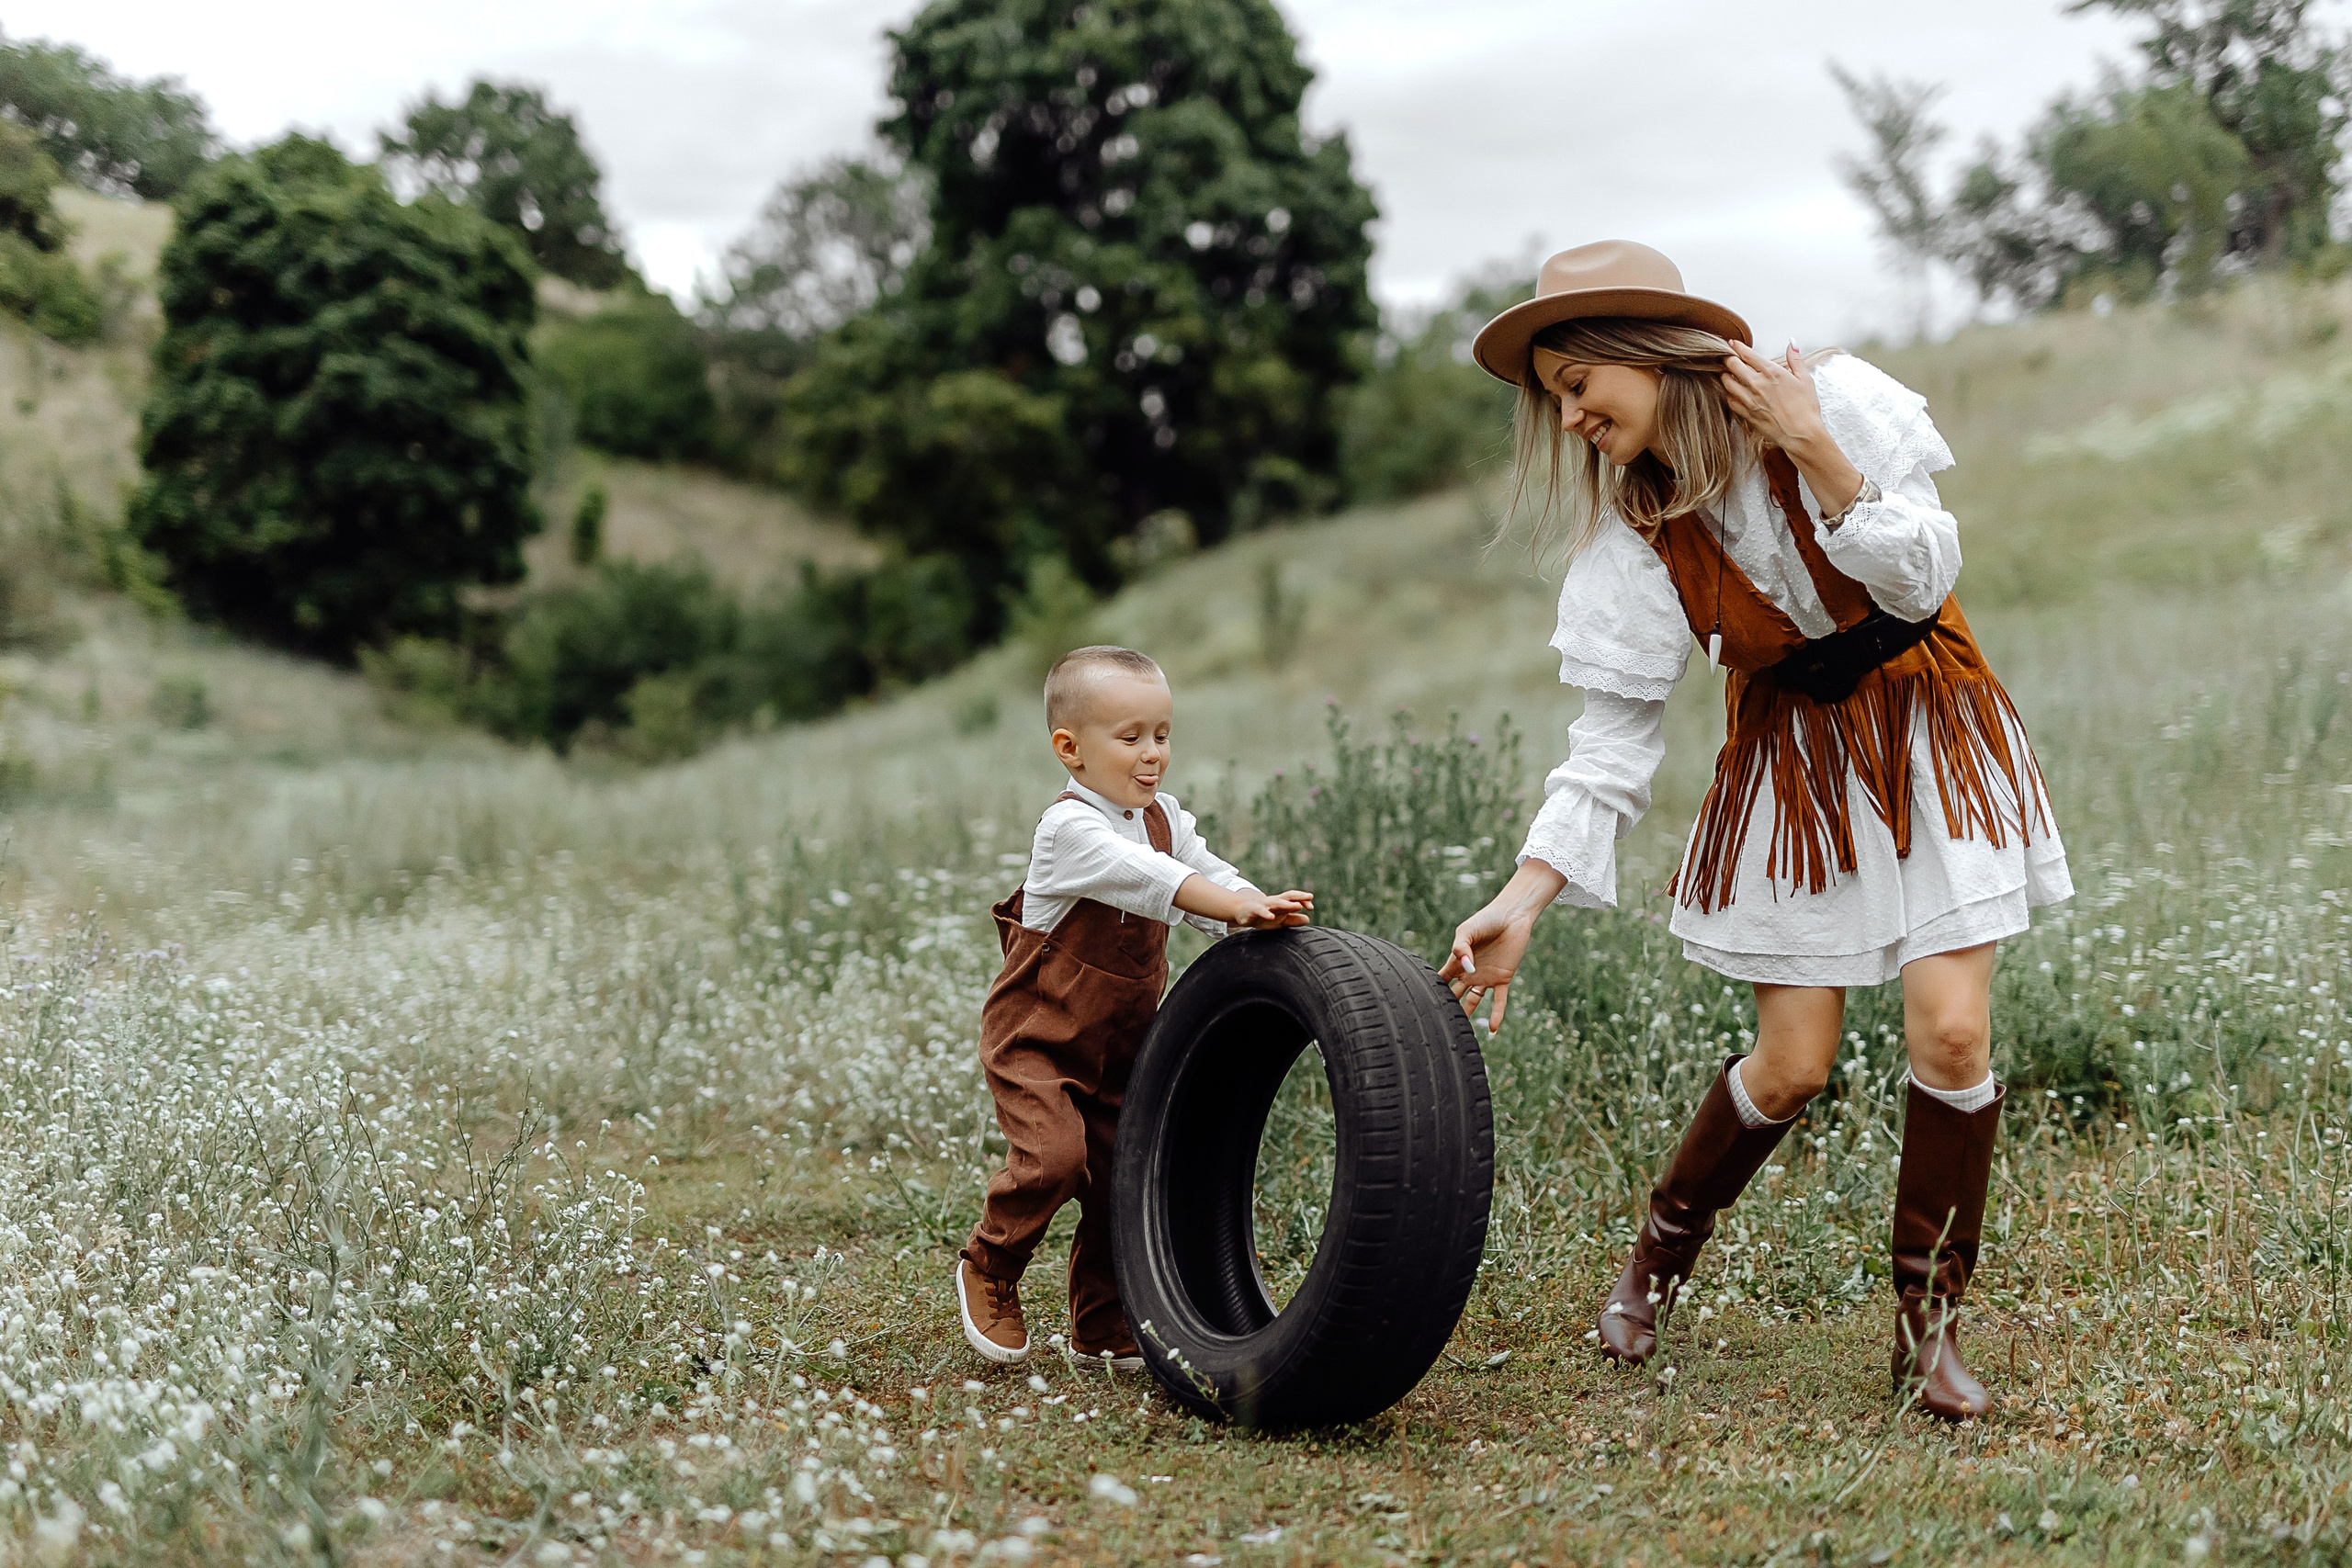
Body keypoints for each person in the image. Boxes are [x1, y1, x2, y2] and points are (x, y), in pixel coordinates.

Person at [1438, 242, 2071, 1421]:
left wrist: (1816, 450)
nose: (1571, 415)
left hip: (1928, 728)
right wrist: (1522, 900)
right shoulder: (1632, 534)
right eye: (1556, 399)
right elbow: (1611, 744)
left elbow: (1923, 579)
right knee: (1791, 1069)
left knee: (1950, 1035)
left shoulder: (1830, 400)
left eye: (1582, 383)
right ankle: (1657, 1255)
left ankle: (1925, 1336)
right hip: (1794, 765)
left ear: (1647, 350)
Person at [956, 645, 1314, 1370]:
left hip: (1122, 1041)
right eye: (1131, 738)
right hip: (1040, 1039)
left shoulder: (1163, 817)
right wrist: (1227, 902)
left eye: (1163, 733)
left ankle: (1101, 1319)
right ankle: (990, 1264)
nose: (1154, 754)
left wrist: (1250, 906)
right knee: (1055, 1160)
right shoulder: (1069, 831)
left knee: (1125, 1179)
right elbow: (1155, 878)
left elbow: (1204, 870)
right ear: (1070, 748)